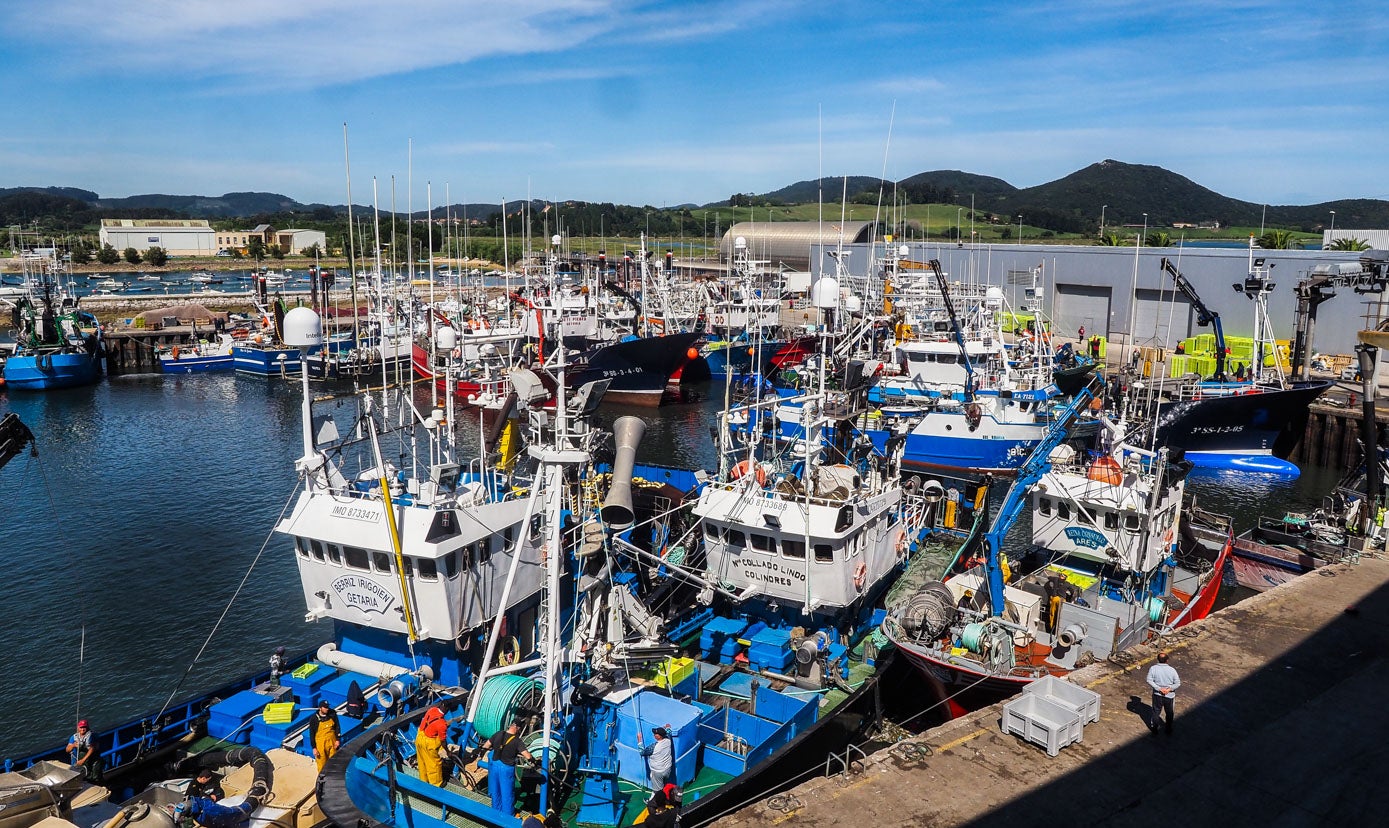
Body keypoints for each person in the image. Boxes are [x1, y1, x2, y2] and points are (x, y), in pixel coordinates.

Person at [481, 720, 534, 817]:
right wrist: (534, 760)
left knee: (495, 791)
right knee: (507, 794)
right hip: (505, 769)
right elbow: (527, 756)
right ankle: (507, 817)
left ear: (511, 725)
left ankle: (495, 814)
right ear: (517, 728)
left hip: (494, 766)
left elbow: (486, 745)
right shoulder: (517, 741)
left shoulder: (499, 733)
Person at [1146, 651, 1181, 734]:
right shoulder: (1172, 670)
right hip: (1169, 696)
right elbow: (1177, 683)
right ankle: (1168, 729)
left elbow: (1149, 680)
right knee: (1169, 713)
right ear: (1167, 660)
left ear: (1158, 659)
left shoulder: (1153, 668)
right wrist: (1169, 689)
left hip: (1157, 695)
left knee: (1156, 712)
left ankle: (1154, 729)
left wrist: (1159, 689)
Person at [415, 705, 448, 785]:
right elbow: (443, 740)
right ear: (446, 709)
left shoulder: (432, 709)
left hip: (420, 736)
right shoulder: (442, 724)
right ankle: (436, 784)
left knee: (422, 761)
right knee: (434, 765)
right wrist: (447, 751)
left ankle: (423, 781)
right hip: (429, 743)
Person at [638, 726, 674, 794]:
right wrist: (667, 727)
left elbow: (642, 752)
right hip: (667, 769)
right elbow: (669, 732)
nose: (654, 735)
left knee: (658, 791)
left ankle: (657, 803)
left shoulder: (654, 747)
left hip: (658, 772)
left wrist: (639, 741)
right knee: (664, 786)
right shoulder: (668, 740)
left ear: (659, 736)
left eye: (655, 734)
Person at [309, 701, 340, 771]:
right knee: (321, 763)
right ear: (320, 708)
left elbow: (337, 726)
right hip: (321, 744)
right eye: (325, 707)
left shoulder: (332, 714)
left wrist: (337, 739)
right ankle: (321, 779)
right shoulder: (314, 719)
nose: (327, 709)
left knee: (334, 761)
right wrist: (314, 748)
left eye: (328, 707)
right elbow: (312, 734)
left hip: (332, 742)